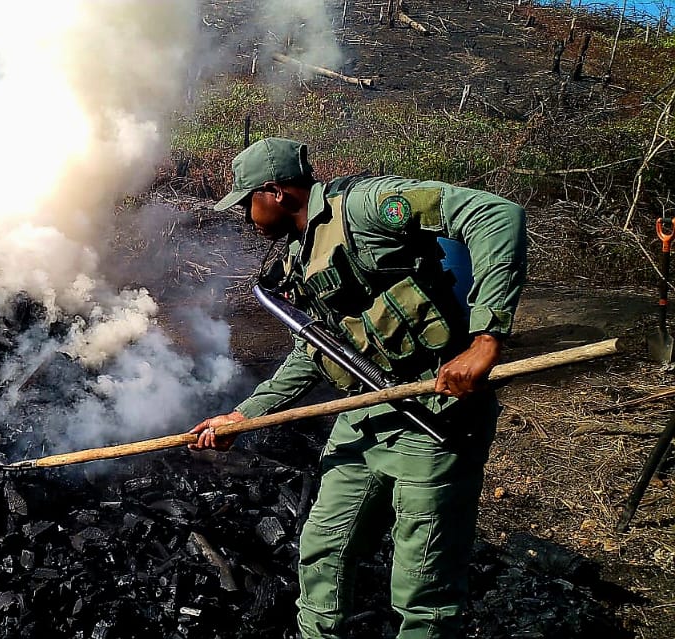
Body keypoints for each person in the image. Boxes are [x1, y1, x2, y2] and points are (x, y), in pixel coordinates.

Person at [188, 138, 526, 639]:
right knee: (323, 549)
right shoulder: (298, 258)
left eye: (246, 203)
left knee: (422, 589)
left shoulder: (367, 207)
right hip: (364, 414)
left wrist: (485, 340)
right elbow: (316, 352)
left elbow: (497, 215)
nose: (245, 217)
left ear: (275, 192)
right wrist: (245, 416)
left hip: (434, 415)